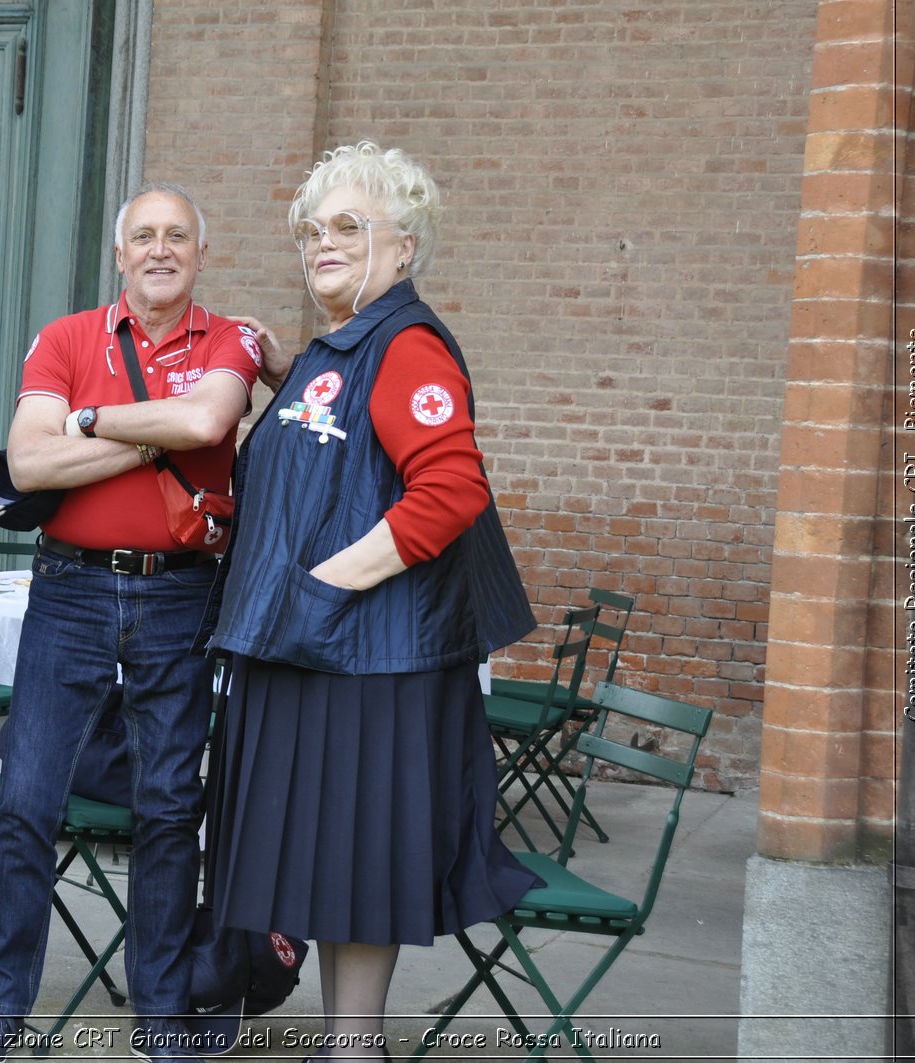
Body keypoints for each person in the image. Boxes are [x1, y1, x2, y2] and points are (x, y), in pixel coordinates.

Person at [205, 141, 542, 1060]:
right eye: (312, 229)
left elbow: (449, 489)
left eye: (349, 226)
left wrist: (323, 585)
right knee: (333, 872)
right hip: (329, 658)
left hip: (367, 665)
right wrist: (288, 378)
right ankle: (346, 1044)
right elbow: (344, 450)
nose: (323, 242)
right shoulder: (350, 347)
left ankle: (353, 1046)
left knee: (355, 871)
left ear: (404, 248)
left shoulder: (407, 344)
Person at [0, 182, 263, 1063]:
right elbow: (27, 458)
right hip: (70, 589)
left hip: (181, 594)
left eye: (177, 237)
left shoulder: (232, 339)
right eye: (143, 237)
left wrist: (89, 423)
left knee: (169, 807)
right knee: (25, 800)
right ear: (119, 254)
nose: (159, 250)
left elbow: (209, 415)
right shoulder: (66, 337)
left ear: (200, 255)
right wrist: (156, 434)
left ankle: (161, 1017)